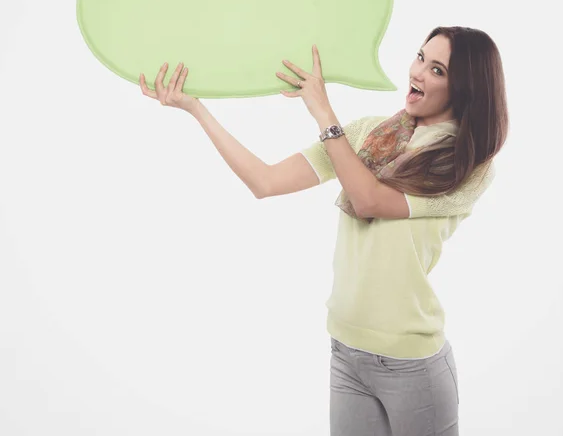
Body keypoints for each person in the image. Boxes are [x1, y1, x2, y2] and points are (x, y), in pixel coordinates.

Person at [139, 26, 509, 436]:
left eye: (437, 70)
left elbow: (369, 199)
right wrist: (197, 109)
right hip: (346, 351)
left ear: (465, 89)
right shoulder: (367, 135)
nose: (418, 72)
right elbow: (265, 181)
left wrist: (323, 112)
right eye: (420, 57)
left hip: (410, 364)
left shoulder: (466, 164)